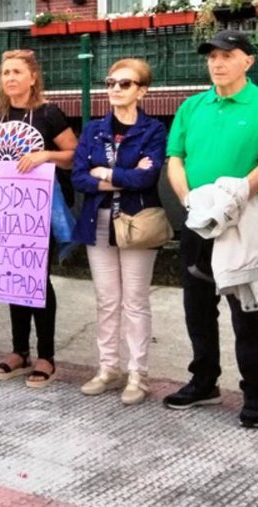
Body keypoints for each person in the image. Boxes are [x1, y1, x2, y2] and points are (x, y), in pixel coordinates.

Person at [164, 29, 258, 428]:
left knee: (246, 310)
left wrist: (229, 201)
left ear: (248, 60)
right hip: (196, 224)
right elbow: (175, 160)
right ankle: (204, 381)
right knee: (197, 309)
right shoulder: (192, 106)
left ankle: (255, 391)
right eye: (212, 57)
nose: (217, 63)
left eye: (227, 55)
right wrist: (190, 203)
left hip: (241, 223)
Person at [0, 49, 78, 383]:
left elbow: (73, 156)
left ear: (33, 77)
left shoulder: (50, 114)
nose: (10, 78)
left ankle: (46, 356)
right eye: (5, 73)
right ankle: (19, 350)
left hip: (39, 211)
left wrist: (46, 154)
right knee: (12, 276)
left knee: (36, 280)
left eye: (17, 72)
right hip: (6, 212)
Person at [70, 58, 167, 404]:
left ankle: (138, 374)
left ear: (141, 91)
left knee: (135, 301)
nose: (115, 89)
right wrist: (118, 178)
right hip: (98, 223)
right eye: (111, 82)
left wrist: (104, 174)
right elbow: (79, 177)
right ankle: (109, 368)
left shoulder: (153, 130)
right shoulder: (93, 129)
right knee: (107, 300)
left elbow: (147, 177)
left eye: (125, 84)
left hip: (137, 224)